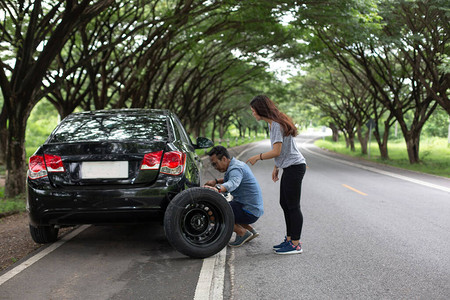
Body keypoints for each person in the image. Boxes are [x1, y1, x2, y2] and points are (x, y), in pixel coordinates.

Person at [246, 95, 306, 255]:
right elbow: (283, 151)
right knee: (285, 203)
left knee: (293, 205)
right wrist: (276, 166)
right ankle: (289, 239)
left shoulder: (276, 126)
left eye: (253, 111)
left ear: (260, 110)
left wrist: (257, 157)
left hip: (295, 167)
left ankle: (296, 244)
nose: (253, 114)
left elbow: (276, 151)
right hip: (290, 166)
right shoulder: (274, 124)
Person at [204, 146, 264, 247]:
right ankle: (250, 230)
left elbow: (233, 182)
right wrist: (216, 181)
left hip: (248, 210)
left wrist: (217, 188)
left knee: (215, 212)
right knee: (227, 206)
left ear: (223, 159)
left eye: (215, 164)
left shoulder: (235, 168)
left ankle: (242, 233)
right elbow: (231, 177)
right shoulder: (237, 165)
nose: (215, 167)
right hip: (253, 208)